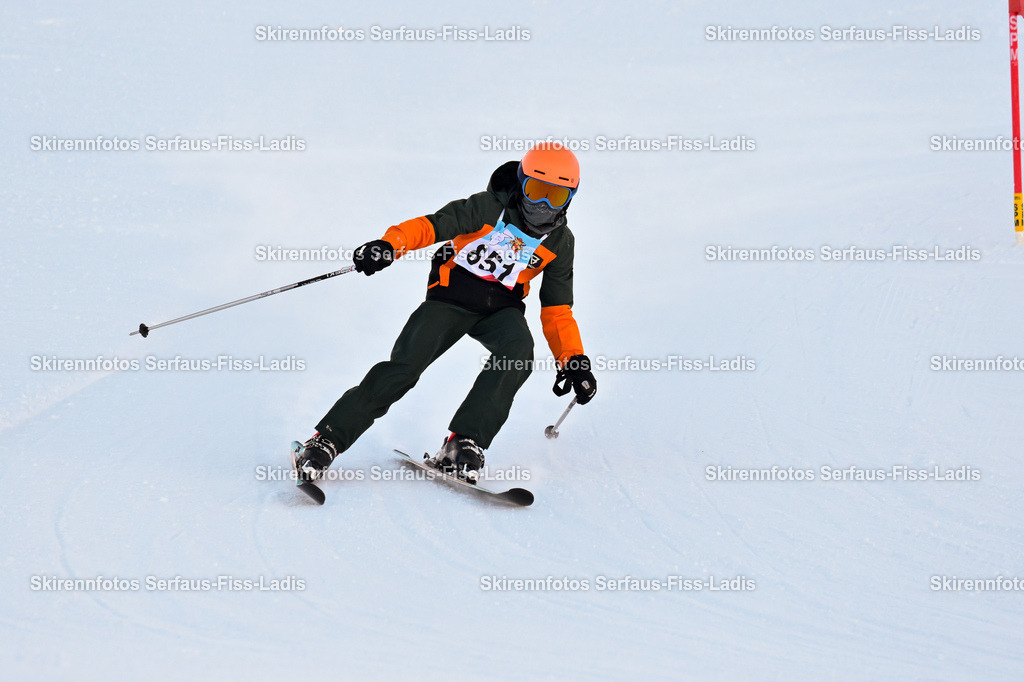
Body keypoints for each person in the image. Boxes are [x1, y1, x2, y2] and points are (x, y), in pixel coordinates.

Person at [294, 142, 597, 482]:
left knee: (518, 352)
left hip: (501, 308)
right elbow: (430, 226)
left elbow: (557, 310)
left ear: (570, 197)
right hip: (451, 296)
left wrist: (573, 360)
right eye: (536, 190)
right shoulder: (486, 208)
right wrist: (388, 246)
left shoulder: (560, 242)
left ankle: (464, 442)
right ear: (521, 182)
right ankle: (325, 440)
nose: (541, 204)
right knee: (405, 367)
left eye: (554, 197)